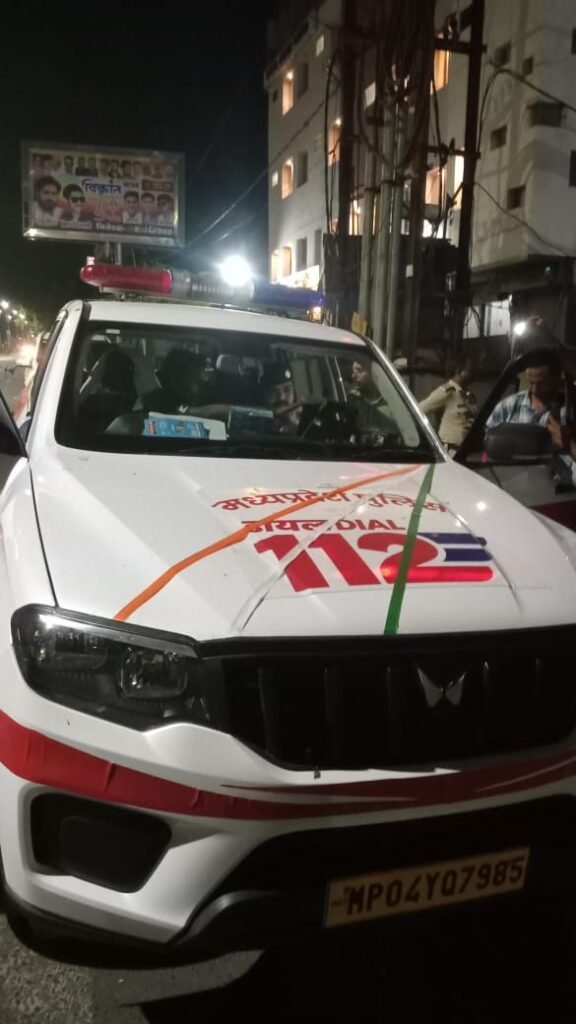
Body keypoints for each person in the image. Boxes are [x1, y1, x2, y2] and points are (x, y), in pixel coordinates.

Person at [419, 360, 477, 455]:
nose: (472, 373)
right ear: (459, 371)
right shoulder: (447, 392)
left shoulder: (468, 395)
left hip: (468, 451)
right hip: (451, 451)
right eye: (469, 370)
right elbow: (421, 409)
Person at [348, 358, 393, 433]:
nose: (353, 376)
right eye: (353, 372)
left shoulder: (393, 403)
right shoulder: (351, 400)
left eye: (359, 371)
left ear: (374, 372)